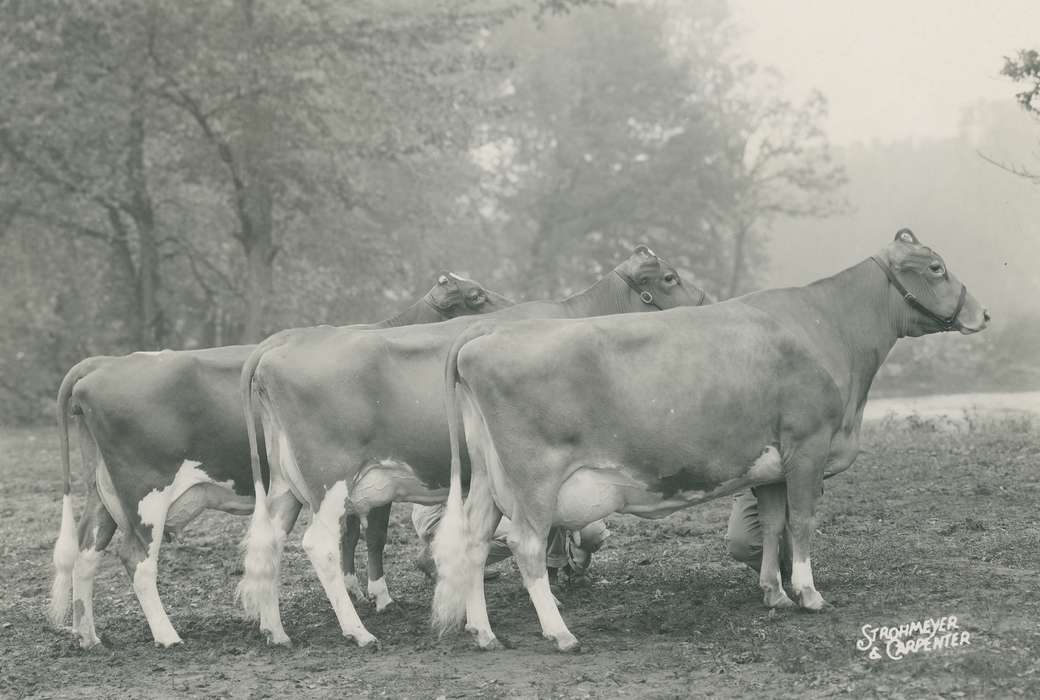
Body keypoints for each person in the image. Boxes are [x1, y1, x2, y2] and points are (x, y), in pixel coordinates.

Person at [412, 504, 610, 587]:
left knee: (592, 531)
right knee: (524, 531)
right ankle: (444, 559)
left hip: (476, 505)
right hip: (446, 510)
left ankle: (564, 564)